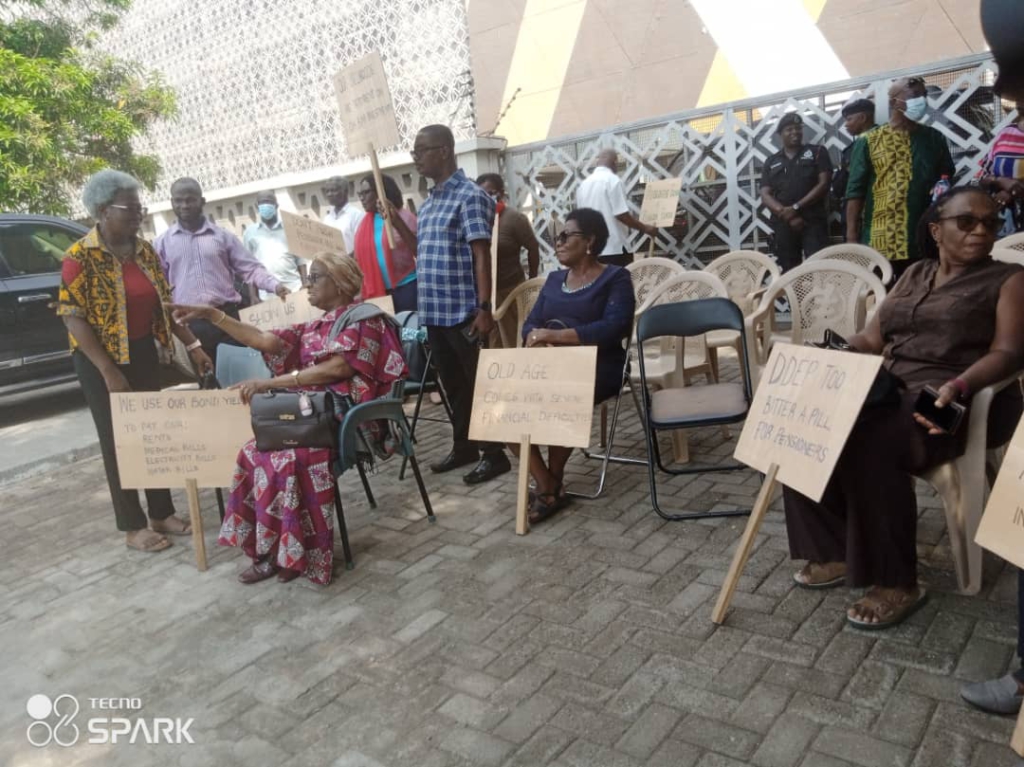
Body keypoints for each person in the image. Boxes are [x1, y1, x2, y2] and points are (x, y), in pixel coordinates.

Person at [783, 186, 1024, 629]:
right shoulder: (914, 274)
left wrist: (960, 383)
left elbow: (1009, 353)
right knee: (804, 422)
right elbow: (872, 339)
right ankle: (834, 550)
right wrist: (833, 354)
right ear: (936, 229)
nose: (981, 231)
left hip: (956, 399)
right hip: (890, 390)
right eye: (966, 221)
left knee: (871, 444)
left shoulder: (1007, 280)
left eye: (990, 222)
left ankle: (897, 581)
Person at [167, 254, 407, 584]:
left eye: (315, 276)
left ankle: (295, 555)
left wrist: (269, 383)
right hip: (312, 418)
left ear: (337, 282)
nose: (307, 283)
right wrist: (213, 315)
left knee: (288, 459)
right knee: (253, 453)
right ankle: (270, 553)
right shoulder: (318, 324)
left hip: (347, 422)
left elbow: (338, 368)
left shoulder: (364, 320)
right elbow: (266, 341)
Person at [57, 170, 213, 553]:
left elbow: (165, 303)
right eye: (131, 206)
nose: (139, 213)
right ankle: (132, 525)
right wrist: (108, 371)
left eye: (140, 205)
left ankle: (161, 512)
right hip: (99, 361)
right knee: (117, 443)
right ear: (104, 210)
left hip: (143, 351)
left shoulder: (144, 251)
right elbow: (71, 315)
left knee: (150, 434)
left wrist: (193, 344)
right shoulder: (80, 256)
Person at [519, 208, 634, 523]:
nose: (558, 242)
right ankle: (547, 483)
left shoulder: (615, 278)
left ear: (590, 241)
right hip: (552, 364)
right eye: (557, 236)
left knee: (564, 394)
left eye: (566, 235)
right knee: (502, 401)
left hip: (601, 364)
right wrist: (536, 337)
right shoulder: (555, 280)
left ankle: (549, 486)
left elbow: (614, 328)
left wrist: (555, 335)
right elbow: (530, 324)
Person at [411, 123, 510, 485]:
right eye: (414, 152)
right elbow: (422, 252)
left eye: (422, 151)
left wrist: (485, 307)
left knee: (478, 383)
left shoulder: (469, 196)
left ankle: (495, 454)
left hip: (463, 311)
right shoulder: (429, 203)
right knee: (452, 384)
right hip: (435, 313)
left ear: (445, 150)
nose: (416, 158)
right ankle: (464, 445)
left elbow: (481, 255)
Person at [154, 178, 289, 367]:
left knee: (241, 380)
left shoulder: (223, 237)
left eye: (190, 199)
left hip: (227, 320)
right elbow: (157, 286)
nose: (184, 205)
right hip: (191, 325)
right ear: (172, 203)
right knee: (209, 389)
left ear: (202, 201)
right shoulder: (162, 243)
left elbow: (250, 268)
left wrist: (275, 286)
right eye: (178, 200)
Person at [846, 77, 956, 281]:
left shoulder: (934, 138)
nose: (921, 100)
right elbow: (855, 191)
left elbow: (946, 175)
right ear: (893, 102)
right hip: (879, 237)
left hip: (921, 236)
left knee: (920, 293)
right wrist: (852, 237)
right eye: (915, 96)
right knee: (879, 298)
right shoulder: (869, 141)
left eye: (924, 96)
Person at [761, 113, 833, 271]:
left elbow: (824, 184)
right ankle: (796, 297)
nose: (795, 132)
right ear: (780, 134)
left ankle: (819, 297)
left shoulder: (817, 152)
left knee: (819, 268)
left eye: (798, 128)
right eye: (789, 129)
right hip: (784, 224)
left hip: (813, 222)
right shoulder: (771, 161)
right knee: (789, 270)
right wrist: (784, 213)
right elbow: (765, 194)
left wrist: (795, 208)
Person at [476, 173, 540, 347]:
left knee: (513, 339)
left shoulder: (514, 219)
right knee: (493, 341)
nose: (487, 198)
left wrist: (531, 280)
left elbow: (533, 248)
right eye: (482, 194)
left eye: (491, 192)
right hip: (485, 293)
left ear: (501, 193)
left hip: (511, 290)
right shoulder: (476, 220)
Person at [576, 148, 658, 266]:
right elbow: (622, 215)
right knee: (619, 283)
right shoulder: (613, 180)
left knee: (598, 284)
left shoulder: (583, 186)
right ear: (615, 162)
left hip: (592, 250)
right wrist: (646, 228)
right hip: (614, 249)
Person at [353, 173, 419, 313]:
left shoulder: (404, 216)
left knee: (411, 332)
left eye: (366, 192)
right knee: (389, 334)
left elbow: (419, 249)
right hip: (379, 293)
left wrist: (397, 224)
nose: (362, 198)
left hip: (406, 289)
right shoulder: (364, 224)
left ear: (381, 192)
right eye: (360, 194)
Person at [243, 191, 306, 301]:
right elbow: (249, 268)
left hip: (294, 289)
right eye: (262, 202)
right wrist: (253, 295)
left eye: (269, 201)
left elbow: (301, 261)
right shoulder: (250, 233)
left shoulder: (289, 228)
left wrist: (305, 284)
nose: (265, 205)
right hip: (266, 296)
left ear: (276, 205)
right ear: (256, 206)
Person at [833, 100, 877, 240]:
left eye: (849, 119)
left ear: (863, 118)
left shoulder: (878, 140)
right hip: (853, 211)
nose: (846, 124)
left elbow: (857, 186)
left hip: (868, 212)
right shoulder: (853, 147)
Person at [977, 109, 1024, 235]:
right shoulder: (1006, 133)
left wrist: (1012, 191)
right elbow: (983, 178)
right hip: (1000, 223)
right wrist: (999, 180)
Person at [322, 176, 365, 254]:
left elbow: (360, 246)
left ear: (345, 191)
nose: (329, 194)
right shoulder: (327, 219)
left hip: (350, 264)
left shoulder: (356, 215)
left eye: (333, 190)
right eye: (327, 191)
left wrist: (344, 262)